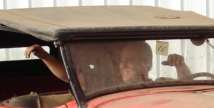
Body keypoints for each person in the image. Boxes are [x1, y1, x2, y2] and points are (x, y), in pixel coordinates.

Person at [25, 41, 191, 85]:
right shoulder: (108, 87)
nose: (123, 65)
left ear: (147, 64)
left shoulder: (160, 85)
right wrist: (44, 56)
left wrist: (180, 64)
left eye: (130, 60)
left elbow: (188, 89)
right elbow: (71, 77)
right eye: (121, 61)